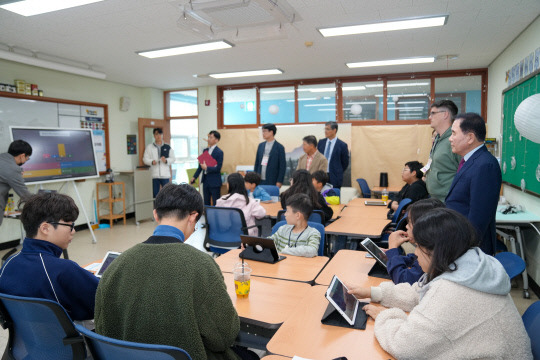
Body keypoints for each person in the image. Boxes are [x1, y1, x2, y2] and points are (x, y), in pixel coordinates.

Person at [348, 208, 532, 360]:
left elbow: (404, 346)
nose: (416, 254)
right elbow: (418, 292)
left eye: (419, 247)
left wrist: (386, 316)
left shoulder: (451, 292)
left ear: (437, 250)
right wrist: (373, 292)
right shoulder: (469, 266)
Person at [95, 183, 244, 360]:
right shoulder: (201, 264)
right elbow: (224, 336)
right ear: (193, 217)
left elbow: (103, 329)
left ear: (155, 214)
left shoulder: (116, 266)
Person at [0, 192, 98, 321]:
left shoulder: (8, 263)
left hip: (29, 340)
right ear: (45, 228)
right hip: (70, 339)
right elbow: (106, 301)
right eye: (70, 225)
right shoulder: (64, 270)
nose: (73, 231)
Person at [446, 112, 502, 255]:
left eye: (453, 133)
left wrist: (464, 249)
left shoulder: (485, 165)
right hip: (458, 240)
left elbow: (478, 217)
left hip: (471, 249)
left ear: (470, 137)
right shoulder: (470, 161)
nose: (450, 139)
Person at [385, 198, 445, 285]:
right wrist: (392, 254)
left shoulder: (430, 256)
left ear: (423, 226)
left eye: (409, 223)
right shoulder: (436, 245)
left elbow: (403, 281)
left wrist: (393, 247)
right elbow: (414, 258)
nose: (406, 226)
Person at [423, 100, 461, 202]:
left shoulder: (454, 140)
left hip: (449, 200)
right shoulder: (439, 139)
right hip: (437, 198)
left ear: (445, 115)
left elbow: (465, 172)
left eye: (433, 113)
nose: (429, 117)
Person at [270, 193, 321, 257]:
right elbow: (268, 243)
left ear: (297, 215)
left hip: (299, 266)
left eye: (287, 211)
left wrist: (285, 251)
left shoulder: (313, 233)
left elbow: (312, 251)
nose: (285, 214)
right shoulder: (283, 229)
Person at [216, 173, 266, 237]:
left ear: (229, 185)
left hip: (225, 235)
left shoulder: (221, 200)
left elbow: (217, 218)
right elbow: (261, 214)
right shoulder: (250, 201)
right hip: (245, 238)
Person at [0, 140, 32, 227]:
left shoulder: (2, 158)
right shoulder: (13, 169)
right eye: (27, 158)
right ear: (22, 156)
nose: (26, 161)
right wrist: (45, 202)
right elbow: (25, 195)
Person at [191, 130, 224, 206]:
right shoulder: (205, 150)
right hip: (205, 181)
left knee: (216, 203)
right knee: (206, 203)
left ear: (216, 140)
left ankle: (216, 217)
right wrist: (194, 177)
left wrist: (207, 168)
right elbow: (200, 166)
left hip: (215, 182)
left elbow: (218, 168)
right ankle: (207, 217)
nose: (208, 139)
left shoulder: (219, 152)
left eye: (211, 137)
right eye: (208, 137)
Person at [143, 128, 175, 198]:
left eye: (160, 134)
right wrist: (151, 162)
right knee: (155, 195)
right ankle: (156, 208)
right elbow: (145, 159)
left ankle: (166, 208)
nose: (159, 136)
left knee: (167, 194)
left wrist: (166, 160)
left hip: (165, 175)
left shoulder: (167, 146)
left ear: (162, 135)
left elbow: (173, 159)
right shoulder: (149, 147)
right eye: (156, 134)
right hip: (154, 175)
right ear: (154, 135)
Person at [317, 121, 349, 188]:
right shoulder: (321, 143)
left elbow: (345, 163)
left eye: (328, 129)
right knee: (320, 197)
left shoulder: (342, 145)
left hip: (335, 177)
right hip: (321, 176)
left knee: (333, 197)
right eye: (325, 129)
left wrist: (337, 171)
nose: (325, 131)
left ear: (334, 130)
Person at [254, 123, 286, 188]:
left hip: (273, 180)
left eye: (264, 131)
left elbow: (282, 166)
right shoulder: (261, 146)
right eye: (262, 131)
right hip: (259, 180)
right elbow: (257, 163)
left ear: (271, 132)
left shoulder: (279, 147)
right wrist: (254, 179)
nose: (263, 133)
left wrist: (279, 181)